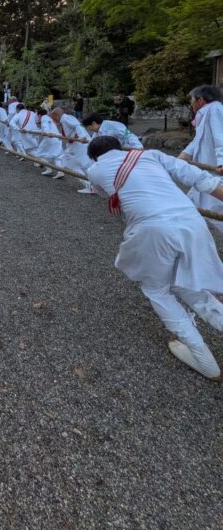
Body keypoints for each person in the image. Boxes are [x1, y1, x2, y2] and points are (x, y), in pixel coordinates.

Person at [87, 135, 223, 380]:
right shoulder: (151, 155)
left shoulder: (94, 169)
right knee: (192, 285)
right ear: (120, 147)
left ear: (94, 157)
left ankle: (204, 360)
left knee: (157, 290)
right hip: (192, 222)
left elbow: (102, 193)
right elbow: (197, 177)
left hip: (154, 230)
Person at [178, 84, 223, 234]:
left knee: (215, 209)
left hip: (216, 172)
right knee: (189, 206)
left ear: (201, 100)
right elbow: (198, 140)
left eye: (192, 99)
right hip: (206, 173)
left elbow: (220, 137)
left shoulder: (215, 109)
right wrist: (184, 156)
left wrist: (222, 162)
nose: (191, 103)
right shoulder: (206, 113)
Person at [50, 107, 92, 193]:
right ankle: (93, 185)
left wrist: (82, 136)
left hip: (79, 144)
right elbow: (67, 134)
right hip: (76, 145)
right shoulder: (64, 120)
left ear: (56, 115)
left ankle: (90, 186)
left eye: (53, 117)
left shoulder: (65, 118)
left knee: (72, 164)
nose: (53, 120)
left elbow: (78, 126)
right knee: (82, 165)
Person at [35, 108, 63, 175]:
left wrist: (46, 132)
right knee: (57, 156)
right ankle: (60, 172)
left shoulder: (43, 118)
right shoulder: (49, 118)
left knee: (39, 154)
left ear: (39, 115)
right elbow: (44, 129)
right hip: (57, 138)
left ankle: (49, 169)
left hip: (50, 139)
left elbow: (45, 128)